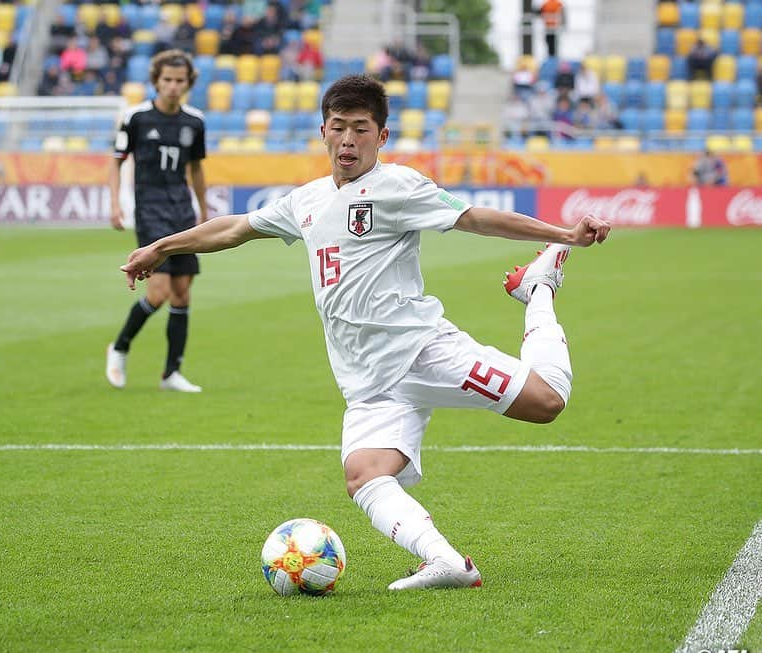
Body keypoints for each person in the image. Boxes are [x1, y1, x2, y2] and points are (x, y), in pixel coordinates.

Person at [119, 75, 611, 590]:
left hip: (420, 351)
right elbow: (234, 227)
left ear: (382, 136)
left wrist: (562, 235)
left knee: (548, 402)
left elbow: (475, 218)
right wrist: (162, 248)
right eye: (339, 128)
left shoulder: (399, 187)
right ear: (323, 133)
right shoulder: (305, 201)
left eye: (361, 128)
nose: (348, 139)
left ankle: (538, 290)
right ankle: (446, 563)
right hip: (366, 378)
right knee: (365, 474)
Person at [106, 49, 208, 393]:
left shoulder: (194, 121)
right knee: (160, 291)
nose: (173, 87)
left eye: (180, 81)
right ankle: (119, 347)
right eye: (167, 80)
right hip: (150, 210)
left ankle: (171, 373)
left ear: (188, 83)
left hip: (181, 210)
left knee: (182, 293)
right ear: (155, 81)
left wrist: (203, 209)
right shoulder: (135, 118)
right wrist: (115, 204)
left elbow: (196, 168)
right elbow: (116, 161)